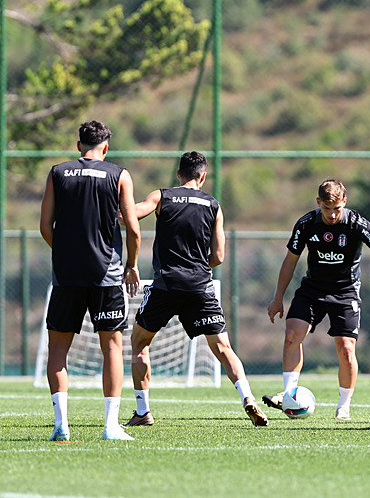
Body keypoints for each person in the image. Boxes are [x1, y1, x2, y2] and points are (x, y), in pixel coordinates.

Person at [125, 151, 268, 427]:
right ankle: (247, 398)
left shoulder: (162, 196)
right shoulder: (213, 205)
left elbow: (131, 215)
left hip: (166, 285)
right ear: (203, 176)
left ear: (179, 174)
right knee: (224, 348)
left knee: (140, 343)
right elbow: (219, 256)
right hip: (200, 286)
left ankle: (143, 412)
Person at [39, 120, 141, 441]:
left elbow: (45, 225)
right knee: (111, 346)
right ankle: (111, 427)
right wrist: (131, 265)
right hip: (107, 275)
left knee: (58, 349)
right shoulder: (119, 175)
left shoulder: (58, 173)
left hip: (66, 277)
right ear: (106, 147)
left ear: (78, 144)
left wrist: (66, 253)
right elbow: (134, 229)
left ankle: (61, 425)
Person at [263, 179, 370, 421]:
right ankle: (287, 393)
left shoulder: (356, 223)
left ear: (344, 202)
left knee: (346, 349)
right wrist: (277, 298)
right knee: (292, 334)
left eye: (337, 209)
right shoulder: (306, 224)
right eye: (327, 209)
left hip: (345, 292)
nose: (332, 214)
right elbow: (290, 261)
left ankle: (343, 406)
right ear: (318, 203)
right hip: (313, 289)